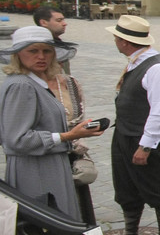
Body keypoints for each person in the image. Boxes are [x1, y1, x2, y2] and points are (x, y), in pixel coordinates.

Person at [0, 26, 104, 221]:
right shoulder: (21, 86)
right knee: (49, 224)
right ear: (18, 54)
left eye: (47, 51)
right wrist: (69, 136)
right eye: (33, 50)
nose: (41, 57)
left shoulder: (32, 81)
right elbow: (17, 139)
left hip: (46, 164)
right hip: (36, 169)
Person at [107, 15, 160, 235]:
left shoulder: (157, 68)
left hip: (143, 140)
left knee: (158, 191)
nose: (115, 40)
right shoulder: (136, 62)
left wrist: (146, 146)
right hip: (124, 135)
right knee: (126, 189)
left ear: (125, 41)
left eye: (117, 37)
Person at [31, 5, 75, 74]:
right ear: (43, 23)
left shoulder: (58, 43)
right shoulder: (39, 46)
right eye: (59, 20)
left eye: (63, 20)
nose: (64, 24)